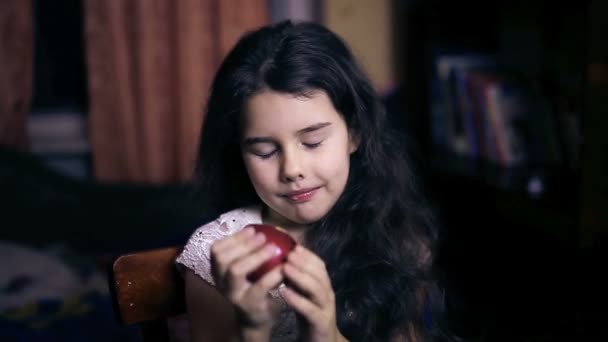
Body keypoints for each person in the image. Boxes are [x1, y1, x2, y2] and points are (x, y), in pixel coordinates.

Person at [176, 20, 446, 342]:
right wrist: (253, 330)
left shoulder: (395, 234)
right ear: (239, 154)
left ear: (354, 134)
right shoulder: (216, 255)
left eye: (313, 141)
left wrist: (326, 335)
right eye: (264, 151)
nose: (292, 168)